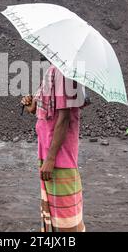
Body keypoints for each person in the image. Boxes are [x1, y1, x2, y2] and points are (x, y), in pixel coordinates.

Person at [21, 62, 86, 232]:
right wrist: (31, 105)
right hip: (48, 151)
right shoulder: (53, 70)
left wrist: (50, 159)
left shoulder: (64, 73)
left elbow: (64, 118)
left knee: (65, 217)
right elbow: (43, 109)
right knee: (54, 211)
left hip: (58, 157)